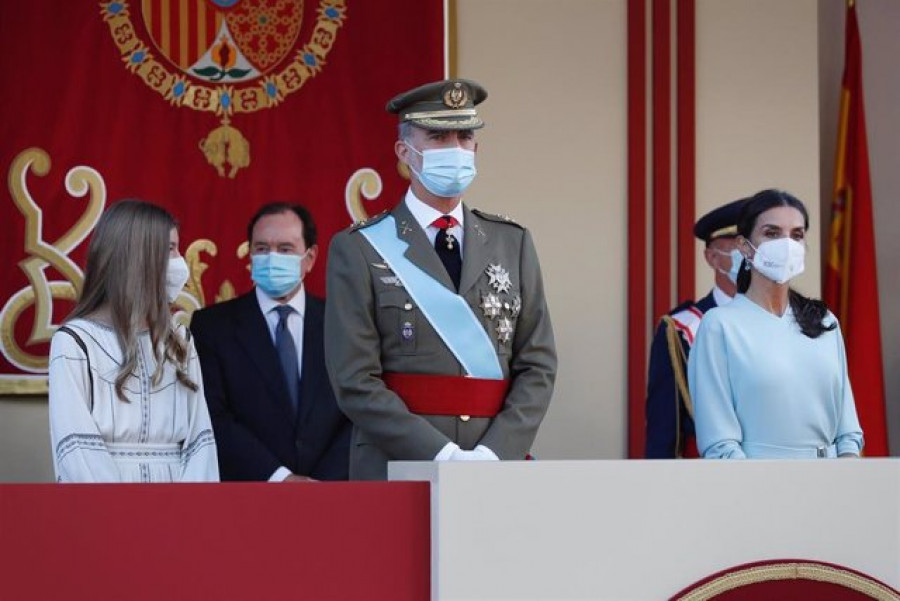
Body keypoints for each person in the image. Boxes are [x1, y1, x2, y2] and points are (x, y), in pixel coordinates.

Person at [324, 78, 557, 480]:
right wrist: (442, 454)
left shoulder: (511, 241)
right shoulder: (360, 248)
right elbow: (354, 380)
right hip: (395, 463)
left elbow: (537, 365)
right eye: (437, 136)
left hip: (494, 468)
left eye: (465, 136)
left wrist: (494, 452)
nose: (455, 149)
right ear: (405, 152)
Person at [48, 199, 218, 482]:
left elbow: (200, 442)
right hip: (108, 504)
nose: (180, 261)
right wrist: (118, 516)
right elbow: (77, 451)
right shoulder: (76, 342)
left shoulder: (179, 340)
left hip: (178, 500)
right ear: (137, 255)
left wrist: (192, 513)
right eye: (169, 249)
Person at [688, 189, 864, 459]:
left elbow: (848, 432)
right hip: (758, 486)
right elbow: (720, 442)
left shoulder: (825, 321)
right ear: (745, 246)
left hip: (830, 484)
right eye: (771, 233)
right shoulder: (719, 325)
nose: (786, 244)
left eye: (796, 235)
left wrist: (843, 480)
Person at [190, 203, 351, 481]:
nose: (272, 257)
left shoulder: (343, 324)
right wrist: (280, 478)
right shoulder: (212, 327)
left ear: (310, 257)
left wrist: (323, 485)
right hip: (248, 496)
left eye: (285, 249)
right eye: (262, 248)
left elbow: (358, 409)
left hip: (332, 495)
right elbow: (213, 416)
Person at [645, 197, 747, 458]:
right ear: (712, 257)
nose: (748, 253)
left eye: (753, 243)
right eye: (738, 244)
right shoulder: (681, 328)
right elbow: (664, 428)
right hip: (709, 477)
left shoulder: (793, 320)